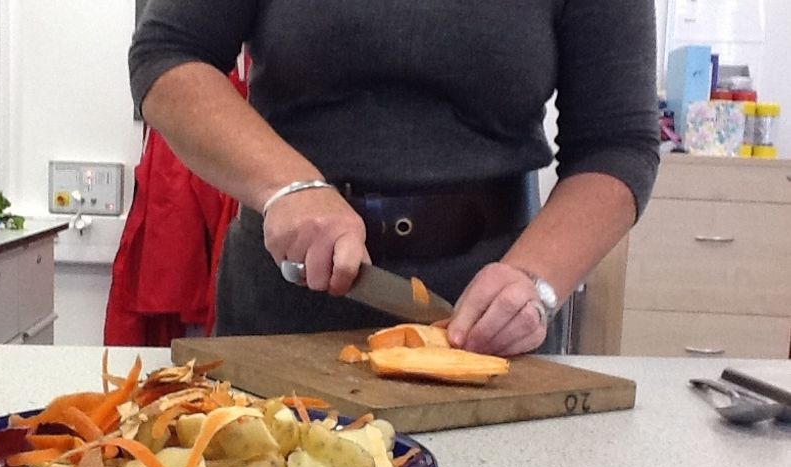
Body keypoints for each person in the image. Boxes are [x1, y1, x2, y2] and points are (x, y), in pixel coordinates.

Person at [129, 1, 660, 356]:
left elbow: (617, 144)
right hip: (289, 295)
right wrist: (287, 185)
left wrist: (536, 280)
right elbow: (168, 53)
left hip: (489, 317)